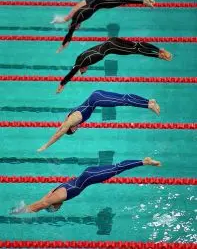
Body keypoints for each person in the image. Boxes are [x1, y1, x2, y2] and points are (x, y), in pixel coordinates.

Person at [10, 157, 161, 214]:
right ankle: (143, 161)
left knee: (117, 168)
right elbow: (44, 199)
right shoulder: (54, 193)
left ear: (54, 205)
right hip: (88, 174)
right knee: (116, 167)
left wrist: (23, 211)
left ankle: (144, 162)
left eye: (56, 208)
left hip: (90, 177)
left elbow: (41, 204)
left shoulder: (58, 196)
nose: (59, 208)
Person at [36, 90, 160, 152]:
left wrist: (45, 146)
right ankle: (149, 101)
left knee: (124, 101)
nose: (76, 129)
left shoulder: (74, 119)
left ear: (71, 128)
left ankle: (148, 105)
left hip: (97, 99)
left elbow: (59, 133)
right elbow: (61, 128)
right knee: (124, 97)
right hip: (96, 95)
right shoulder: (68, 120)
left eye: (74, 130)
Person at [56, 37, 172, 93]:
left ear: (81, 67)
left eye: (84, 70)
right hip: (111, 42)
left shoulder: (82, 62)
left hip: (112, 47)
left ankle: (159, 54)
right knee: (136, 45)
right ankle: (158, 50)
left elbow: (73, 71)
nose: (86, 69)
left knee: (135, 50)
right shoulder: (80, 58)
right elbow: (75, 67)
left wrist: (62, 84)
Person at [55, 0, 155, 53]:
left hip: (101, 1)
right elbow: (70, 32)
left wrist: (63, 45)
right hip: (100, 1)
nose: (77, 28)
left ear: (74, 25)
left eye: (76, 27)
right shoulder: (78, 19)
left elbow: (69, 34)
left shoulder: (76, 19)